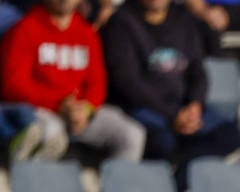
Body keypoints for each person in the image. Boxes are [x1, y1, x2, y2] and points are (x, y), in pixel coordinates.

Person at [101, 0, 240, 192]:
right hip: (141, 107)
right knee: (162, 141)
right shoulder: (121, 21)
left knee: (228, 134)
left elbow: (197, 73)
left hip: (181, 107)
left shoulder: (184, 20)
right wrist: (173, 115)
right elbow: (128, 84)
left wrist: (195, 104)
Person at [0, 0, 145, 162]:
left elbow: (97, 84)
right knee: (51, 132)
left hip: (78, 113)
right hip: (41, 110)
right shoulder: (25, 29)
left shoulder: (86, 33)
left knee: (131, 134)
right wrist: (58, 104)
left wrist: (86, 109)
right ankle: (33, 185)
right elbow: (13, 86)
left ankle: (119, 187)